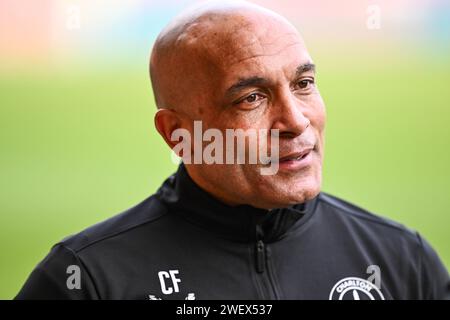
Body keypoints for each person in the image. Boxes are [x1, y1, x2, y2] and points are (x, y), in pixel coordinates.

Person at [16, 1, 449, 300]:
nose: (296, 121)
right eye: (252, 99)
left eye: (303, 84)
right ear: (178, 133)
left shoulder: (401, 260)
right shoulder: (88, 280)